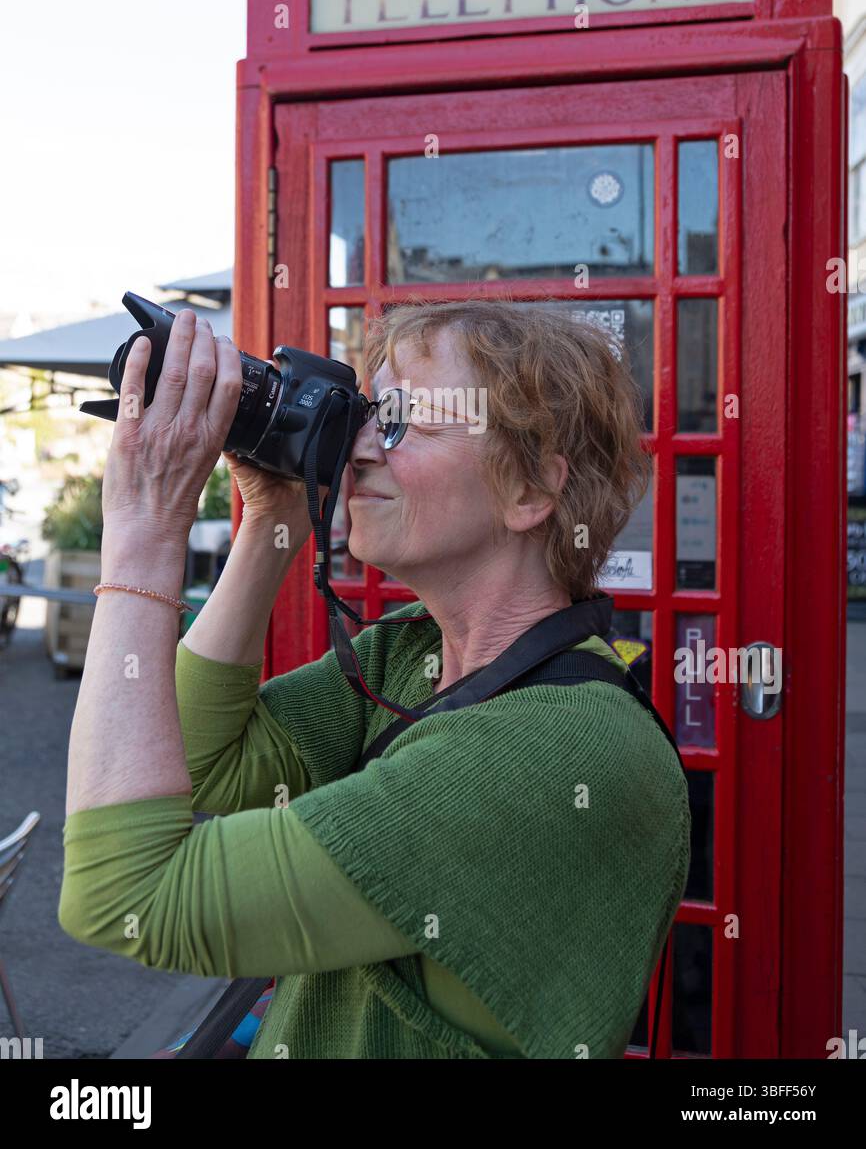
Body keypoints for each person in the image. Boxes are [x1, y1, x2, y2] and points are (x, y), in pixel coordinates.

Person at [58, 298, 690, 1060]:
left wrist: (143, 535)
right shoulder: (414, 656)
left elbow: (127, 900)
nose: (356, 448)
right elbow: (201, 761)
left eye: (402, 420)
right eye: (364, 412)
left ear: (529, 492)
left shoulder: (550, 749)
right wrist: (272, 521)